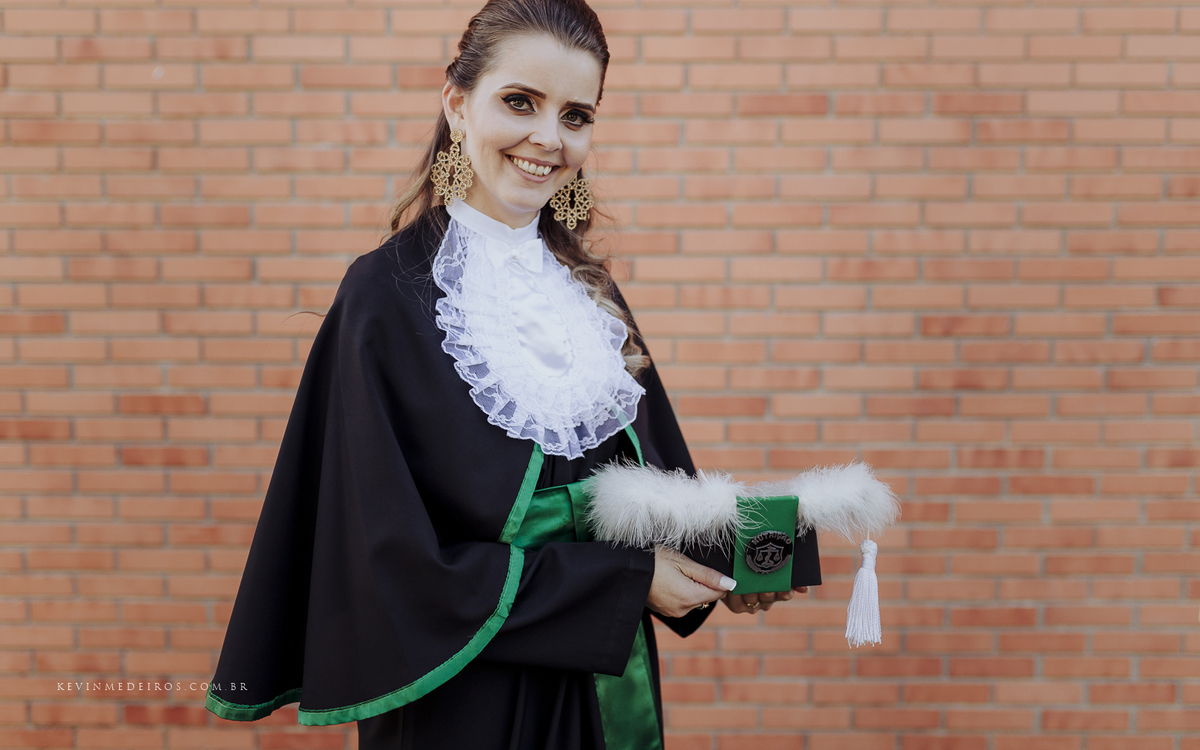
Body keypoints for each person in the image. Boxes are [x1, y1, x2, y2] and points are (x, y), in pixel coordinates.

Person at [204, 1, 806, 748]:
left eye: (576, 115)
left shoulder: (591, 294)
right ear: (457, 103)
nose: (548, 139)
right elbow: (388, 561)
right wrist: (616, 583)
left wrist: (737, 562)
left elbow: (656, 489)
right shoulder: (383, 296)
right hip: (462, 696)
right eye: (520, 102)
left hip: (603, 690)